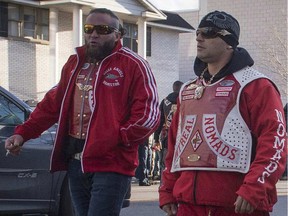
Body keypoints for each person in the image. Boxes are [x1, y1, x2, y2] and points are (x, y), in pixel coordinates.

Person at [5, 8, 159, 216]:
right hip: (76, 162)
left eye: (103, 29)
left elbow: (148, 115)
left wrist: (116, 139)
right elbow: (51, 104)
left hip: (112, 163)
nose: (94, 34)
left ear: (118, 34)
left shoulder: (134, 64)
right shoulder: (74, 63)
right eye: (88, 28)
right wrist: (22, 133)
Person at [159, 10, 287, 216]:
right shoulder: (188, 89)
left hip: (238, 204)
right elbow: (176, 144)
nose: (199, 37)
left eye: (209, 32)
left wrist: (255, 187)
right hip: (188, 205)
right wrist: (166, 189)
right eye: (198, 32)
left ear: (229, 41)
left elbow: (275, 141)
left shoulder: (256, 85)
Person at [153, 81, 183, 180]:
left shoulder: (165, 101)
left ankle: (163, 185)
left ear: (173, 88)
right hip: (182, 139)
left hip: (167, 138)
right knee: (181, 166)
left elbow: (159, 121)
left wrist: (156, 139)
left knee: (165, 164)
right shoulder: (184, 100)